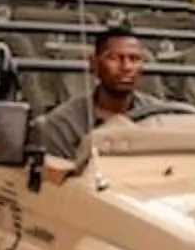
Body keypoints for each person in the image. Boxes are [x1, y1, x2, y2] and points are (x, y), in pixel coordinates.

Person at [34, 24, 182, 159]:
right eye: (114, 58)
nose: (126, 67)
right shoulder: (64, 125)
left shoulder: (160, 116)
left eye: (134, 59)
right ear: (94, 64)